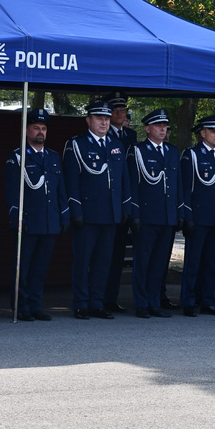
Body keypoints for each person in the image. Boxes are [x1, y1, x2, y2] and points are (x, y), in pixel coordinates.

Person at [63, 100, 131, 320]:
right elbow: (70, 181)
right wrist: (76, 210)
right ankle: (81, 303)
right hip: (87, 214)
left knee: (104, 262)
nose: (104, 122)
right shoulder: (76, 144)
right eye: (99, 118)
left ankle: (97, 303)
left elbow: (124, 181)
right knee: (83, 261)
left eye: (106, 119)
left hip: (111, 214)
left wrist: (125, 207)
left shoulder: (117, 145)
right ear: (88, 120)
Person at [5, 109, 69, 321]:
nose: (40, 132)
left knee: (40, 268)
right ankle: (21, 306)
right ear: (26, 130)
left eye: (43, 128)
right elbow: (12, 190)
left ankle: (35, 304)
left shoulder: (53, 157)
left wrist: (64, 215)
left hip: (50, 221)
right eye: (36, 128)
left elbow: (60, 189)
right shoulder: (17, 157)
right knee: (23, 268)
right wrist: (16, 217)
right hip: (29, 221)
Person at [127, 108, 181, 318]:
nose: (162, 129)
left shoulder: (172, 152)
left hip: (167, 216)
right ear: (148, 128)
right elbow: (133, 185)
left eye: (164, 125)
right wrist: (135, 214)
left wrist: (179, 213)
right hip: (147, 216)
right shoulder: (138, 151)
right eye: (158, 125)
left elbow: (178, 186)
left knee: (160, 263)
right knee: (143, 262)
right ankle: (141, 303)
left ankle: (154, 301)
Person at [179, 116, 215, 317]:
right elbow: (186, 189)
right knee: (193, 262)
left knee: (211, 263)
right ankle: (189, 301)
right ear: (202, 133)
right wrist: (188, 216)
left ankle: (208, 300)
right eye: (213, 131)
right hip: (199, 216)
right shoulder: (191, 155)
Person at [103, 92, 138, 313]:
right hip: (106, 200)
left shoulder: (131, 136)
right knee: (102, 256)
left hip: (124, 200)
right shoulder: (104, 134)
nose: (119, 114)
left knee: (116, 256)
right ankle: (97, 298)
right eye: (115, 110)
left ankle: (111, 298)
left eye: (123, 111)